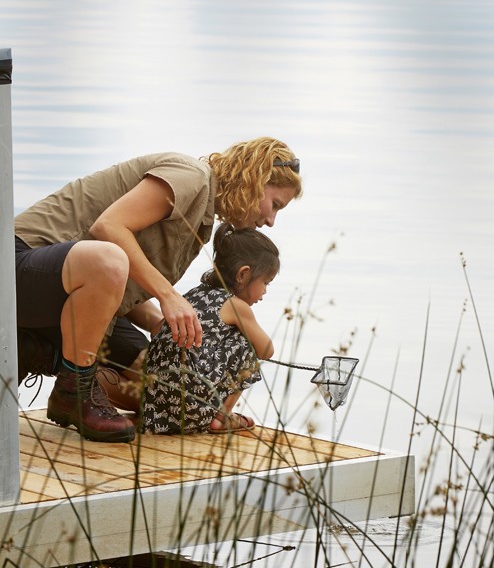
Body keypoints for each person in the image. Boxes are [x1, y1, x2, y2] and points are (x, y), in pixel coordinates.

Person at [14, 137, 302, 443]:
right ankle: (73, 390)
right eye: (275, 205)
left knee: (171, 396)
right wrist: (168, 296)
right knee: (108, 258)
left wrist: (157, 322)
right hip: (17, 266)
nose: (271, 220)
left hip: (66, 290)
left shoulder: (202, 219)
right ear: (255, 180)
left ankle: (41, 352)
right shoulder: (191, 176)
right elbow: (108, 229)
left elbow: (114, 285)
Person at [142, 222, 279, 435]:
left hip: (157, 407)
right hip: (192, 408)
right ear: (243, 274)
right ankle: (222, 416)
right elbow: (266, 351)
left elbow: (159, 329)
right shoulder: (236, 306)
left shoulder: (193, 295)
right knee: (246, 345)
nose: (265, 291)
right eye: (266, 282)